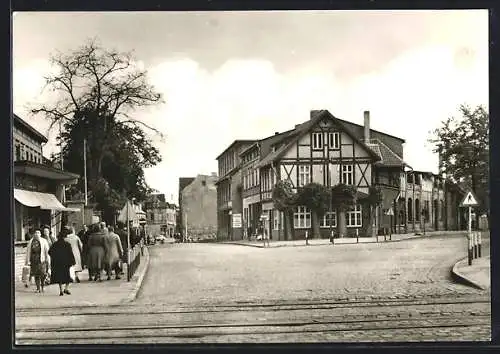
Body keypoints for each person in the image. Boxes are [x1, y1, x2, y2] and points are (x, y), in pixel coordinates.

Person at [49, 227, 76, 296]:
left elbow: (50, 252)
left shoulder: (55, 244)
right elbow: (70, 254)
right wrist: (73, 261)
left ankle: (61, 290)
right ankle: (66, 289)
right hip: (65, 263)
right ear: (64, 237)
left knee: (59, 277)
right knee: (67, 276)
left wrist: (54, 258)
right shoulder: (67, 244)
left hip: (57, 263)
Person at [25, 228, 50, 293]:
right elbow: (28, 252)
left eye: (38, 233)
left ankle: (42, 286)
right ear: (34, 234)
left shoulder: (44, 241)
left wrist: (48, 259)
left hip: (42, 260)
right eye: (35, 233)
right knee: (36, 275)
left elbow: (47, 251)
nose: (37, 234)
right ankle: (38, 288)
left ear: (40, 234)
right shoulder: (31, 241)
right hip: (34, 260)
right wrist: (27, 261)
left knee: (43, 274)